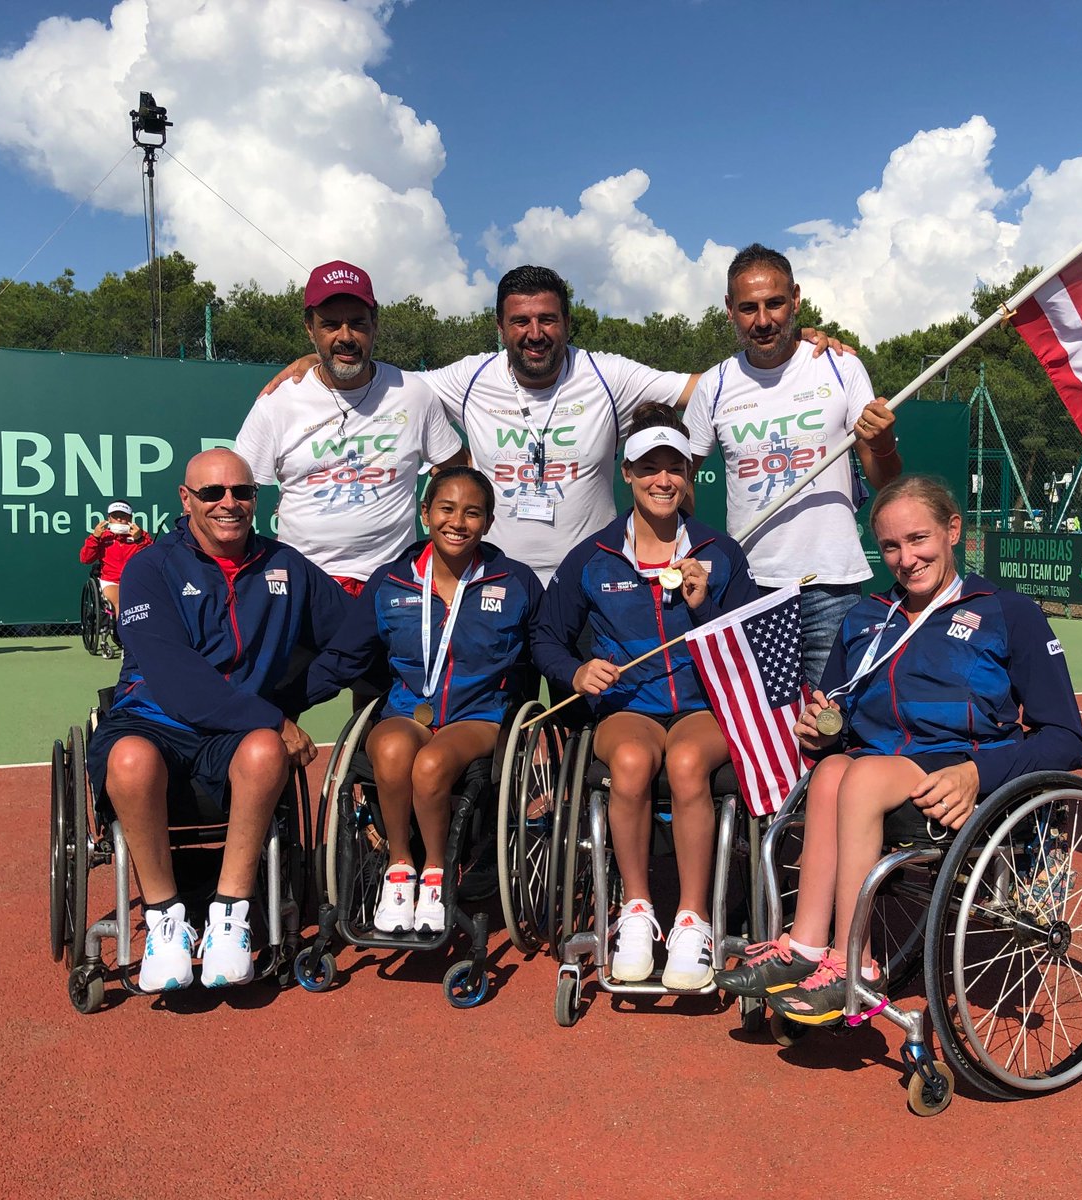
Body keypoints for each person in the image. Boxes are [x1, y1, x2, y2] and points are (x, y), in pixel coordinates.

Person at [715, 475, 1082, 1023]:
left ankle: (855, 965)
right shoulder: (865, 618)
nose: (906, 558)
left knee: (860, 776)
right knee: (832, 771)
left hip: (961, 772)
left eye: (919, 539)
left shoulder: (1007, 613)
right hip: (873, 774)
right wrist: (824, 732)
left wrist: (975, 773)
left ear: (953, 531)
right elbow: (837, 722)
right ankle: (805, 947)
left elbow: (1067, 738)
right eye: (891, 545)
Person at [260, 263, 846, 585]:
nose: (534, 333)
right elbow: (375, 378)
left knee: (584, 721)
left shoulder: (607, 374)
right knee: (496, 723)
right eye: (520, 321)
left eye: (547, 319)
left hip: (587, 578)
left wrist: (789, 353)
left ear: (567, 322)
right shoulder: (465, 378)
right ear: (499, 326)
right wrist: (319, 359)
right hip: (495, 577)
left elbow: (711, 387)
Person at [85, 449, 349, 993]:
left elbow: (353, 636)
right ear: (187, 500)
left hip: (235, 736)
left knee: (264, 750)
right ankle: (166, 921)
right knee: (130, 760)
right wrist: (271, 716)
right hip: (154, 721)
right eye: (212, 493)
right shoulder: (149, 566)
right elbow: (176, 678)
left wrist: (294, 697)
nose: (228, 503)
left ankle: (229, 916)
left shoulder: (285, 565)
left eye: (242, 492)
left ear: (256, 498)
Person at [534, 403, 759, 989]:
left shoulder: (721, 552)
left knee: (686, 764)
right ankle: (636, 910)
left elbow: (749, 645)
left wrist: (702, 604)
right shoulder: (593, 556)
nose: (664, 480)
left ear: (688, 475)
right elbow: (546, 637)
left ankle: (692, 919)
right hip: (627, 709)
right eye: (649, 467)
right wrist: (577, 672)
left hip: (700, 706)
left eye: (675, 468)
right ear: (627, 474)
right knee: (631, 762)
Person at [303, 466, 543, 933]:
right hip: (408, 710)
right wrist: (280, 704)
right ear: (425, 513)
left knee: (432, 764)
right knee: (391, 749)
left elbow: (544, 653)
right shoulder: (391, 580)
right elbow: (346, 656)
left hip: (478, 717)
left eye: (473, 513)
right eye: (447, 509)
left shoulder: (514, 582)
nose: (458, 522)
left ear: (489, 523)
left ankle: (436, 873)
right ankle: (399, 868)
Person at [685, 244, 902, 688]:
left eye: (775, 304)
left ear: (796, 299)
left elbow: (887, 480)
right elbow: (678, 480)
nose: (762, 321)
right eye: (748, 308)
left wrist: (881, 446)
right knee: (768, 728)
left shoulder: (840, 365)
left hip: (832, 584)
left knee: (834, 721)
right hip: (751, 585)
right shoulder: (715, 384)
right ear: (729, 310)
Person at [234, 260, 466, 596]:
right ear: (309, 329)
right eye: (330, 325)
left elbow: (455, 469)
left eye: (357, 323)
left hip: (393, 587)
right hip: (306, 587)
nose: (345, 337)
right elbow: (236, 489)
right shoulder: (278, 403)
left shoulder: (413, 394)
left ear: (375, 324)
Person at [79, 500, 153, 616]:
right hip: (111, 581)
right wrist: (95, 537)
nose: (119, 520)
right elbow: (85, 559)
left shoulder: (142, 536)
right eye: (115, 516)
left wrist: (139, 540)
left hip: (136, 582)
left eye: (123, 516)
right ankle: (122, 633)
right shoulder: (102, 536)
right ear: (109, 519)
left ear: (130, 518)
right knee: (121, 603)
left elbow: (151, 559)